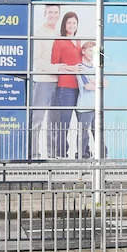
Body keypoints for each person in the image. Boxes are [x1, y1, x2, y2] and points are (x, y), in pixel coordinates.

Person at [47, 13, 83, 158]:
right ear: (64, 25)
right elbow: (55, 64)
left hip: (80, 88)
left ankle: (82, 152)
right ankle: (61, 152)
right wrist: (71, 68)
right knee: (65, 122)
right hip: (65, 87)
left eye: (74, 23)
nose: (72, 26)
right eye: (69, 23)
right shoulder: (59, 41)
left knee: (82, 122)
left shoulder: (78, 41)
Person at [29, 4, 63, 158]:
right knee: (37, 119)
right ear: (45, 13)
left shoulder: (59, 32)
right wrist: (56, 68)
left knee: (54, 120)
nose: (53, 15)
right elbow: (37, 61)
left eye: (56, 12)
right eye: (50, 12)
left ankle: (52, 153)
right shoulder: (39, 32)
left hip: (60, 82)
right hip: (44, 80)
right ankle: (33, 154)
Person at [74, 41, 103, 159]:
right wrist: (97, 82)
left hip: (97, 105)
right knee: (84, 132)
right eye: (90, 50)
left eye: (94, 51)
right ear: (83, 51)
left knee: (98, 132)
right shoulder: (80, 67)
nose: (92, 53)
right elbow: (87, 86)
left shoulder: (98, 68)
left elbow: (106, 82)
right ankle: (81, 155)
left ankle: (102, 154)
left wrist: (93, 81)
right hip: (85, 106)